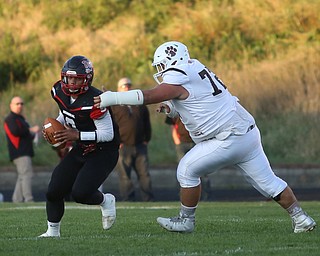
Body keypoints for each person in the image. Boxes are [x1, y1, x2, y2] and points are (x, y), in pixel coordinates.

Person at [94, 41, 316, 233]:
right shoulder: (195, 66)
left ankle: (186, 220)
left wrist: (111, 97)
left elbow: (150, 95)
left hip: (228, 137)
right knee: (269, 183)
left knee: (187, 170)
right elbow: (192, 101)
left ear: (171, 61)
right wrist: (170, 109)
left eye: (162, 65)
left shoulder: (179, 73)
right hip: (246, 131)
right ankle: (301, 218)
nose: (161, 70)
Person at [38, 55, 120, 238]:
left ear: (87, 79)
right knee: (54, 189)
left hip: (104, 151)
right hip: (82, 146)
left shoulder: (97, 100)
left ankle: (106, 201)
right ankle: (52, 232)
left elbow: (108, 135)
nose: (73, 82)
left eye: (77, 78)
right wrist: (55, 128)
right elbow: (65, 112)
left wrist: (76, 135)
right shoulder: (58, 91)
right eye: (70, 78)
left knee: (81, 193)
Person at [110, 77, 154, 202]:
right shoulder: (115, 105)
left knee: (144, 174)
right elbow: (111, 124)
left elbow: (146, 122)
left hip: (140, 145)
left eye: (129, 85)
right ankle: (128, 199)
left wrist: (147, 138)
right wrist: (116, 142)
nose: (127, 87)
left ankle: (148, 199)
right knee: (124, 176)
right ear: (119, 89)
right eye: (124, 86)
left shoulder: (139, 103)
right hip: (123, 146)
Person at [4, 96, 40, 203]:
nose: (20, 106)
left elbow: (27, 134)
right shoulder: (11, 119)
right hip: (19, 152)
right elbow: (15, 131)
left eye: (21, 104)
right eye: (17, 104)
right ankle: (28, 198)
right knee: (26, 174)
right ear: (11, 105)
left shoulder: (21, 118)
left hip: (24, 151)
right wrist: (31, 130)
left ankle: (17, 199)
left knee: (22, 176)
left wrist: (34, 133)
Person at [165, 116, 210, 200]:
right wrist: (176, 140)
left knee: (202, 169)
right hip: (182, 142)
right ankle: (184, 197)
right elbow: (171, 123)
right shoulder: (175, 105)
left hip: (197, 142)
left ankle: (203, 196)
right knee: (182, 170)